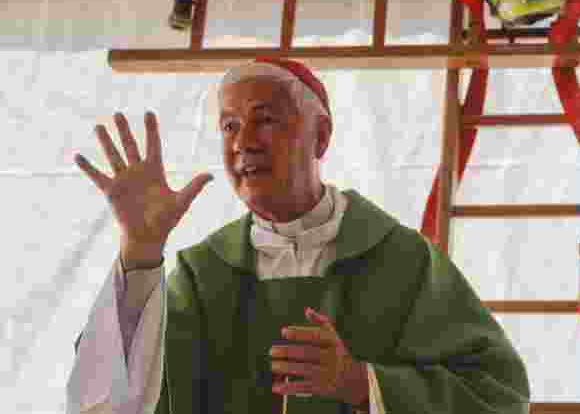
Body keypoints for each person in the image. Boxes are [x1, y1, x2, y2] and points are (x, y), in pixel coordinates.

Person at [65, 57, 530, 414]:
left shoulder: (401, 261)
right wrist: (140, 251)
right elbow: (108, 402)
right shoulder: (202, 275)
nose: (243, 141)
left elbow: (499, 394)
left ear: (320, 136)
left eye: (264, 119)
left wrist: (360, 383)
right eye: (229, 125)